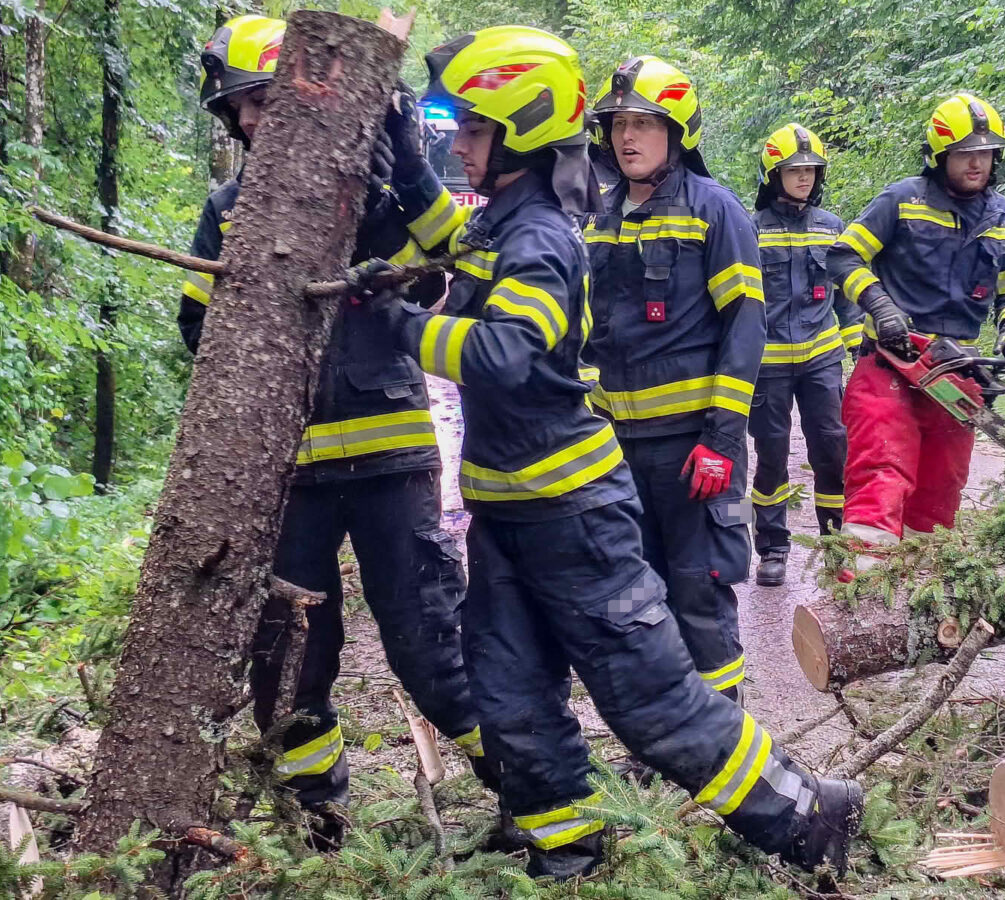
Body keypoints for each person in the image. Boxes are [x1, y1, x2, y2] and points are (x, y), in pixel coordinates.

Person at [355, 25, 862, 880]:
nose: (464, 147)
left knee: (650, 695)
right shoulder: (510, 225)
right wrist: (403, 156)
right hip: (509, 513)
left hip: (575, 514)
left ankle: (805, 815)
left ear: (518, 131)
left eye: (475, 130)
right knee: (512, 696)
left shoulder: (545, 238)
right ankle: (567, 853)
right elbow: (449, 230)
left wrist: (399, 325)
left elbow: (506, 356)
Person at [184, 14, 493, 848]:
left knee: (431, 646)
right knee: (287, 664)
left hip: (391, 460)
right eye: (237, 112)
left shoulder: (380, 193)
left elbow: (461, 261)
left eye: (258, 103)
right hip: (288, 481)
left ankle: (528, 794)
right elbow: (197, 338)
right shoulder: (226, 213)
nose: (247, 123)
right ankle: (318, 826)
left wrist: (408, 161)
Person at [581, 56, 764, 700]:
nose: (627, 137)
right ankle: (663, 735)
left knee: (700, 588)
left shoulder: (715, 210)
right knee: (633, 594)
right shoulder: (595, 218)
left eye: (644, 124)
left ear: (677, 132)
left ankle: (727, 732)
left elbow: (745, 330)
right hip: (614, 450)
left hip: (695, 449)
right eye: (618, 124)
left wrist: (721, 440)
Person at [825, 93, 1005, 574]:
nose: (976, 162)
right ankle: (859, 597)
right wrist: (880, 305)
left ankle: (919, 602)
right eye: (965, 153)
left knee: (941, 492)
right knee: (881, 474)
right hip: (892, 364)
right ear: (940, 155)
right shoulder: (902, 199)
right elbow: (843, 255)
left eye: (985, 153)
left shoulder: (1004, 217)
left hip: (956, 371)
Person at [748, 124, 863, 587]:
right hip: (768, 364)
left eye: (811, 171)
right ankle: (773, 550)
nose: (804, 178)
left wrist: (861, 347)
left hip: (821, 359)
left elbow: (846, 299)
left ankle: (835, 546)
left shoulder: (831, 227)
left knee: (832, 452)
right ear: (773, 175)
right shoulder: (749, 229)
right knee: (772, 455)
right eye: (794, 170)